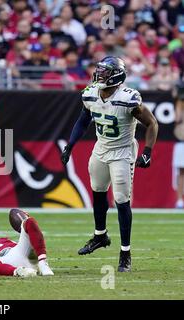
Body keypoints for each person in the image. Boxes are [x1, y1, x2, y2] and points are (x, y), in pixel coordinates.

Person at [61, 56, 159, 272]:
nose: (100, 75)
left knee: (122, 201)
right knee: (97, 191)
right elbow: (84, 119)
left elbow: (152, 123)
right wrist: (70, 145)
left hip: (123, 152)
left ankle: (125, 253)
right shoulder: (91, 93)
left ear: (116, 75)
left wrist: (147, 152)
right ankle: (100, 236)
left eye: (105, 71)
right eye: (100, 70)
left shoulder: (128, 98)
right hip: (101, 148)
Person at [173, 81, 184, 208]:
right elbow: (177, 119)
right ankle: (180, 200)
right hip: (182, 140)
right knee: (181, 172)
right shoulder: (180, 103)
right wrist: (179, 101)